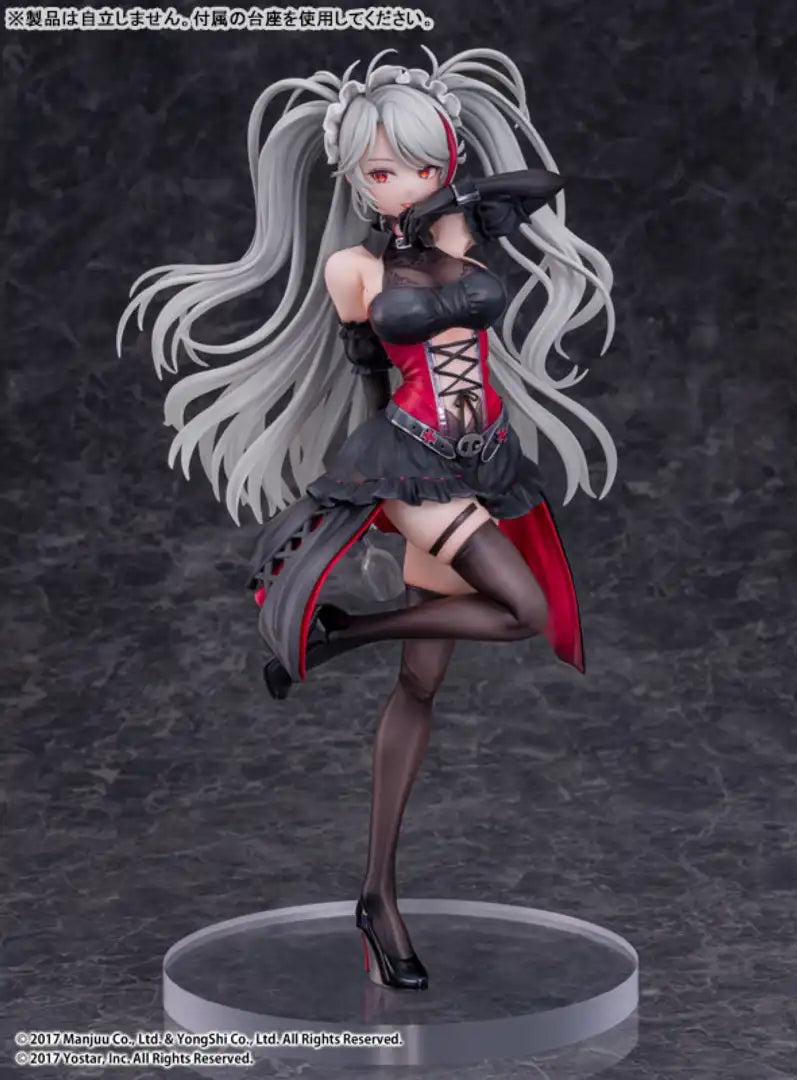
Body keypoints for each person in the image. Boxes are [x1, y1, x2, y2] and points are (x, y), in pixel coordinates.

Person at [118, 46, 616, 992]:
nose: (403, 182)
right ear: (353, 176)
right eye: (383, 171)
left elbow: (545, 184)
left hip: (485, 463)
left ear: (447, 160)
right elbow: (368, 381)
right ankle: (341, 631)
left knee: (421, 686)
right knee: (523, 611)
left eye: (422, 164)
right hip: (414, 464)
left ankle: (377, 895)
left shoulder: (462, 228)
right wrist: (372, 484)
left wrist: (448, 202)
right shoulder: (352, 268)